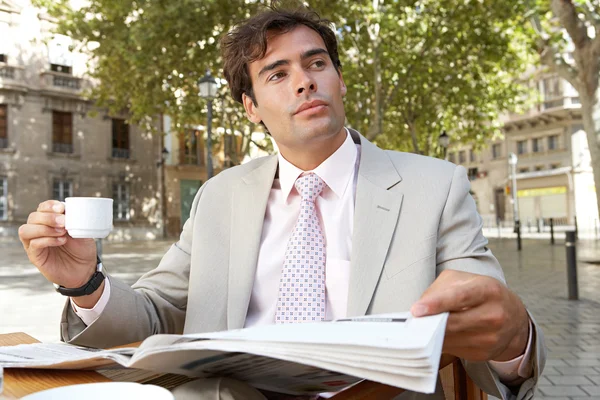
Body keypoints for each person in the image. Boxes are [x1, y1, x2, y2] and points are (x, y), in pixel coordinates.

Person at [18, 5, 545, 400]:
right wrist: (85, 284)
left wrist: (514, 337)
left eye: (316, 63)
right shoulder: (219, 196)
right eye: (278, 73)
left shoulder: (436, 186)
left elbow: (486, 326)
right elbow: (157, 315)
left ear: (338, 80)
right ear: (250, 108)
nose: (305, 81)